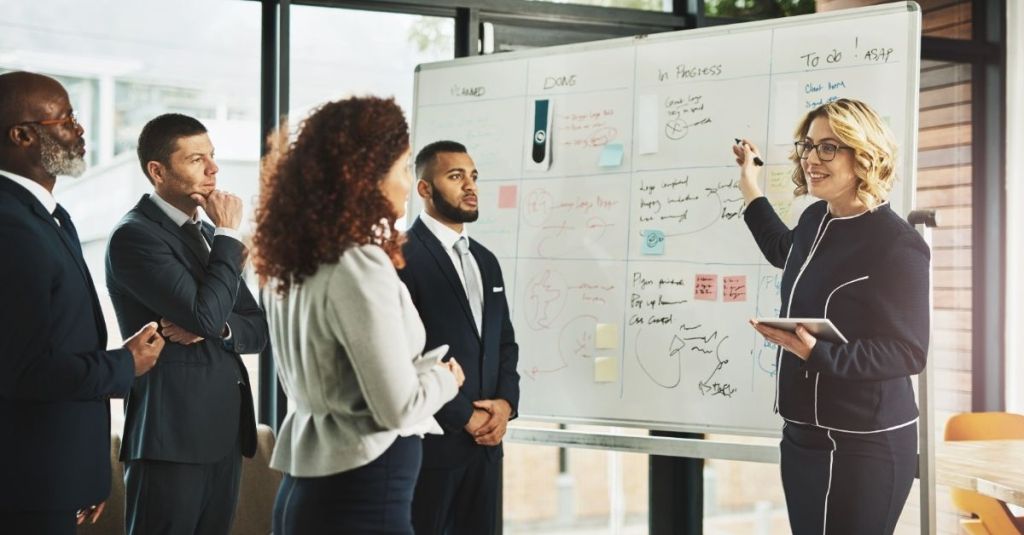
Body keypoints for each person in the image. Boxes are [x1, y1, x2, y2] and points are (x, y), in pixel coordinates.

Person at [253, 96, 463, 534]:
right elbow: (398, 408)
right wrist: (445, 378)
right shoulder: (357, 263)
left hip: (309, 488)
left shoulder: (289, 263)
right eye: (404, 166)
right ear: (365, 173)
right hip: (363, 493)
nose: (409, 184)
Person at [735, 98, 929, 535]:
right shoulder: (813, 220)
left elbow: (908, 352)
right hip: (802, 433)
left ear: (863, 156)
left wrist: (817, 352)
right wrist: (749, 183)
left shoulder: (897, 244)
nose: (810, 159)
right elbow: (782, 249)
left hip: (867, 441)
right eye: (808, 146)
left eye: (828, 148)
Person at [0, 71, 163, 534]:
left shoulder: (46, 216)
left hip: (51, 480)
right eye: (66, 117)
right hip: (26, 488)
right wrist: (124, 364)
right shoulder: (10, 226)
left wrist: (81, 476)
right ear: (22, 135)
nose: (80, 128)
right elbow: (24, 370)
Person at [105, 113, 268, 535]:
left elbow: (256, 328)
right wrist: (231, 237)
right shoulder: (135, 236)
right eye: (197, 159)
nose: (213, 169)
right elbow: (204, 314)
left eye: (212, 156)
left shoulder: (209, 236)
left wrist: (216, 326)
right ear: (157, 172)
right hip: (170, 437)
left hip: (223, 435)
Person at [401, 140, 521, 535]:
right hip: (432, 447)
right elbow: (403, 355)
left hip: (487, 449)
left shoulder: (486, 260)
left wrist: (504, 404)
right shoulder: (401, 255)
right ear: (424, 189)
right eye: (455, 176)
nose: (470, 186)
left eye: (473, 176)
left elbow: (504, 342)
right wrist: (465, 416)